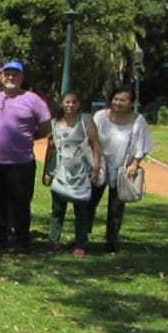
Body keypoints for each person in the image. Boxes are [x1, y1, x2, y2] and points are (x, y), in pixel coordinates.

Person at [0, 60, 51, 255]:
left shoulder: (33, 100)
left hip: (21, 163)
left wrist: (29, 137)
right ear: (1, 76)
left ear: (21, 77)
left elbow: (45, 127)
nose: (10, 78)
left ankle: (22, 241)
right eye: (7, 74)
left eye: (15, 75)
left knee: (20, 203)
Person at [90, 86, 153, 253]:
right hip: (100, 165)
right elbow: (91, 141)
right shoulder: (99, 117)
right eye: (116, 99)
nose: (118, 103)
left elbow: (143, 145)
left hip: (123, 168)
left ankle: (111, 242)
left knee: (116, 208)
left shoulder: (138, 120)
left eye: (123, 100)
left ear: (131, 103)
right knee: (89, 203)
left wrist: (134, 164)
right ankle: (82, 237)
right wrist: (94, 164)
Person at [43, 91, 101, 257]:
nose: (70, 105)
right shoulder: (54, 124)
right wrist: (47, 171)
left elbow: (96, 145)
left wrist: (96, 167)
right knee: (57, 210)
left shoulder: (86, 121)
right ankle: (54, 241)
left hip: (82, 172)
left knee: (81, 210)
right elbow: (52, 149)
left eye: (74, 102)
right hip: (61, 172)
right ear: (62, 104)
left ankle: (80, 243)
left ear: (79, 104)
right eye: (67, 102)